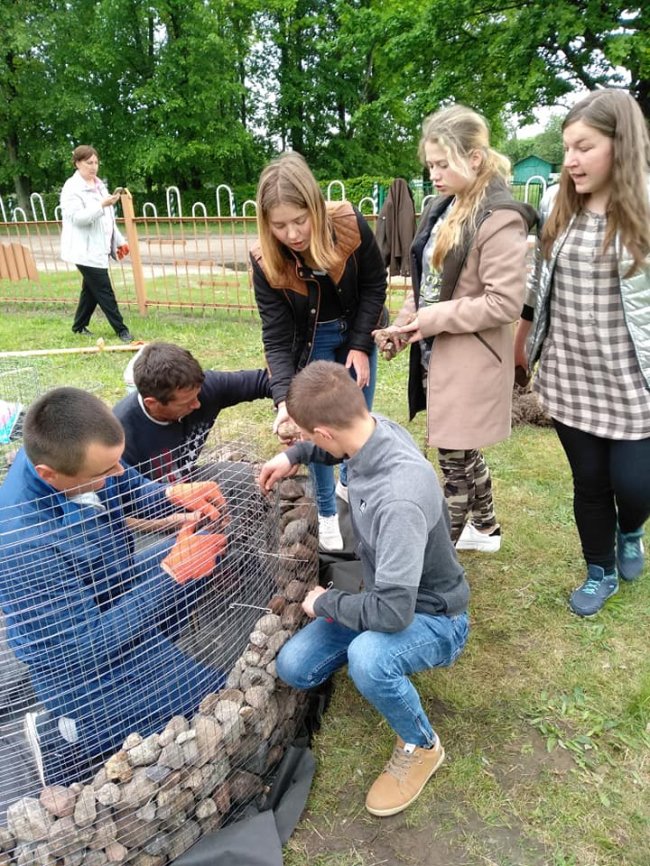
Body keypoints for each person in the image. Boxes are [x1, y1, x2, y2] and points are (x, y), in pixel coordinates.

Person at [259, 361, 470, 817]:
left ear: (326, 431)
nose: (311, 445)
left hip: (432, 616)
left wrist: (326, 602)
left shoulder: (398, 499)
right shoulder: (373, 430)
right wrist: (292, 456)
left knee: (369, 658)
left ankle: (422, 744)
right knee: (296, 666)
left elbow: (394, 613)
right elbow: (333, 451)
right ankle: (377, 662)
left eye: (309, 438)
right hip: (385, 595)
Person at [0, 388, 229, 785]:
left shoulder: (65, 452)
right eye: (104, 472)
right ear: (49, 476)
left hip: (107, 591)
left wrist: (171, 494)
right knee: (215, 697)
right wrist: (170, 574)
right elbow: (84, 646)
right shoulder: (23, 546)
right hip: (79, 668)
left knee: (195, 559)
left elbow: (124, 487)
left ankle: (148, 672)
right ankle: (67, 734)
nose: (118, 472)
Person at [375, 105, 536, 551]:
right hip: (439, 350)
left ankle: (434, 558)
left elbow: (504, 302)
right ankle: (486, 528)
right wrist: (406, 323)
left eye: (443, 163)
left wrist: (429, 320)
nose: (434, 174)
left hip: (471, 357)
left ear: (476, 158)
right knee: (462, 448)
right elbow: (428, 280)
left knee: (451, 459)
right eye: (430, 165)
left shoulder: (500, 216)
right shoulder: (445, 206)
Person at [514, 89, 650, 617]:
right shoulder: (556, 203)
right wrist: (523, 340)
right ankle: (600, 569)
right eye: (567, 147)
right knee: (589, 483)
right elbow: (539, 282)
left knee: (635, 482)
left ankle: (632, 528)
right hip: (571, 371)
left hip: (632, 377)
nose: (569, 160)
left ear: (621, 146)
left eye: (584, 147)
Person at [251, 151, 387, 552]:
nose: (292, 234)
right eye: (279, 225)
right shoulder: (265, 260)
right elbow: (275, 336)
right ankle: (326, 511)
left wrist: (361, 345)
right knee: (320, 429)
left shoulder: (347, 222)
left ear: (315, 205)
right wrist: (282, 402)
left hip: (357, 330)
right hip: (311, 342)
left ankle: (353, 490)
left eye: (300, 220)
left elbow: (375, 286)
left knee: (356, 420)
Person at [113, 341, 272, 482]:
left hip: (186, 483)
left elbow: (265, 381)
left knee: (236, 475)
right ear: (152, 403)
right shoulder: (120, 433)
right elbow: (118, 501)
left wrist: (286, 408)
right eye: (187, 402)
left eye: (197, 396)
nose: (197, 404)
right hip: (147, 505)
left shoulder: (200, 389)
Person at [60, 145, 133, 342]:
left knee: (91, 290)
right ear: (77, 164)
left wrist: (120, 241)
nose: (93, 167)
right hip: (83, 250)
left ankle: (78, 326)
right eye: (88, 163)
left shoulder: (100, 185)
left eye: (96, 162)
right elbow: (78, 218)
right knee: (103, 290)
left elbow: (107, 219)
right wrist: (101, 205)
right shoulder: (71, 188)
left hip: (98, 248)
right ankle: (122, 330)